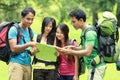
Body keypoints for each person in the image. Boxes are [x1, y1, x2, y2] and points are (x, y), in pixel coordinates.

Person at [56, 8, 106, 80]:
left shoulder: (89, 33)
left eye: (74, 22)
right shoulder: (85, 31)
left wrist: (70, 52)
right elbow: (84, 47)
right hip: (93, 66)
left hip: (96, 66)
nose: (72, 24)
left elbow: (88, 52)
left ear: (81, 20)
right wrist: (73, 47)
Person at [8, 7, 37, 80]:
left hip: (27, 64)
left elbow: (32, 49)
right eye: (28, 19)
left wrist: (34, 51)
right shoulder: (14, 29)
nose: (30, 21)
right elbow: (13, 48)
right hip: (16, 64)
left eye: (32, 19)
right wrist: (29, 44)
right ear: (22, 17)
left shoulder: (30, 31)